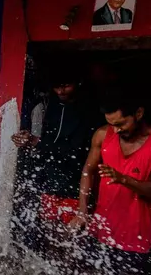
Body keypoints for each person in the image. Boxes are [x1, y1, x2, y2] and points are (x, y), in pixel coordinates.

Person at [70, 89, 151, 275]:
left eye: (121, 124)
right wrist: (82, 211)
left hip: (135, 234)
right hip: (101, 227)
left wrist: (124, 180)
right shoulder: (103, 134)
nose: (116, 130)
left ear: (138, 113)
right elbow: (87, 171)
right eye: (112, 124)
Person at [12, 70, 102, 263]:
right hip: (50, 182)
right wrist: (25, 138)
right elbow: (42, 139)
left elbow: (77, 150)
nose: (61, 90)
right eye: (57, 86)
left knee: (71, 242)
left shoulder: (89, 112)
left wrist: (37, 142)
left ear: (77, 83)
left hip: (75, 185)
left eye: (66, 85)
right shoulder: (48, 106)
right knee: (49, 237)